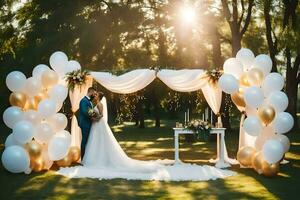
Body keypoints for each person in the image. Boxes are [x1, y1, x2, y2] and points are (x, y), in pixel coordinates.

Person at [78, 87, 101, 160]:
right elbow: (86, 112)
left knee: (87, 140)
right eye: (93, 93)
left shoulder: (88, 101)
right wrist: (96, 115)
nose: (94, 95)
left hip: (88, 123)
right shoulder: (84, 101)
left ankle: (86, 158)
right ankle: (83, 158)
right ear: (90, 92)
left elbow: (89, 110)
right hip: (85, 123)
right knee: (85, 140)